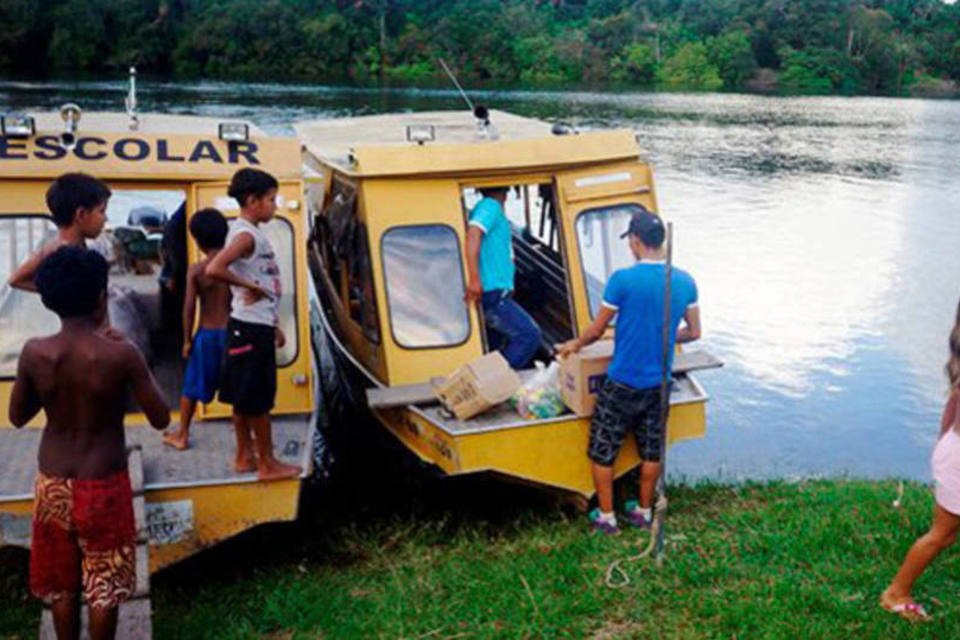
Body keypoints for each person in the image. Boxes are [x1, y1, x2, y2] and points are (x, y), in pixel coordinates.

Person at [8, 246, 170, 640]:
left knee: (61, 583)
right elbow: (161, 417)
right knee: (104, 585)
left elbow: (18, 416)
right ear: (101, 296)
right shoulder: (120, 354)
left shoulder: (34, 352)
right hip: (105, 484)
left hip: (53, 484)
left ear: (48, 300)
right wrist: (132, 366)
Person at [556, 208, 700, 535]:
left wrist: (572, 345)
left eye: (630, 242)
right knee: (652, 449)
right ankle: (644, 511)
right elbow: (693, 332)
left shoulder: (622, 280)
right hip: (659, 384)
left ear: (635, 242)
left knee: (602, 448)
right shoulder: (684, 281)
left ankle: (607, 517)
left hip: (622, 381)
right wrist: (662, 333)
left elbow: (596, 331)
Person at [206, 168, 301, 481]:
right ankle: (267, 463)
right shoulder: (246, 234)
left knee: (243, 396)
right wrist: (251, 286)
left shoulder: (246, 232)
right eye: (271, 199)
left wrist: (272, 323)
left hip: (251, 325)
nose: (275, 206)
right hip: (250, 327)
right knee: (258, 400)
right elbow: (215, 268)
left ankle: (244, 455)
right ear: (252, 200)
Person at [881, 299, 960, 621]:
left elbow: (950, 409)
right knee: (941, 534)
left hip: (952, 450)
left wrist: (941, 444)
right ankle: (895, 594)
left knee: (948, 532)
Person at [163, 208, 231, 451]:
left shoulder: (197, 270)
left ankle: (182, 434)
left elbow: (188, 308)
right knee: (237, 385)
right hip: (234, 334)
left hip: (209, 334)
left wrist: (186, 340)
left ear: (198, 241)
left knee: (191, 387)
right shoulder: (234, 265)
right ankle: (247, 437)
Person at [465, 186, 542, 369]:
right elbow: (474, 233)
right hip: (492, 291)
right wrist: (474, 279)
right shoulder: (490, 206)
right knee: (529, 336)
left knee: (494, 348)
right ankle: (496, 382)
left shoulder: (487, 208)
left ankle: (492, 381)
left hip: (497, 291)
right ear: (507, 192)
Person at [8, 172, 110, 291]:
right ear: (81, 214)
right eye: (101, 211)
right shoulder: (58, 250)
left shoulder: (77, 247)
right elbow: (15, 280)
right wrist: (61, 294)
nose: (105, 218)